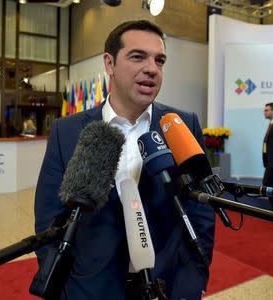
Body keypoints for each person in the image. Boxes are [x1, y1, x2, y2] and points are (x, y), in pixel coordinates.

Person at [34, 20, 215, 299]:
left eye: (160, 60)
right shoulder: (67, 131)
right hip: (89, 288)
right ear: (109, 63)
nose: (152, 68)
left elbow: (201, 211)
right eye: (137, 56)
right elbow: (49, 218)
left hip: (167, 287)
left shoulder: (181, 124)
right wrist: (63, 287)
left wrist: (194, 279)